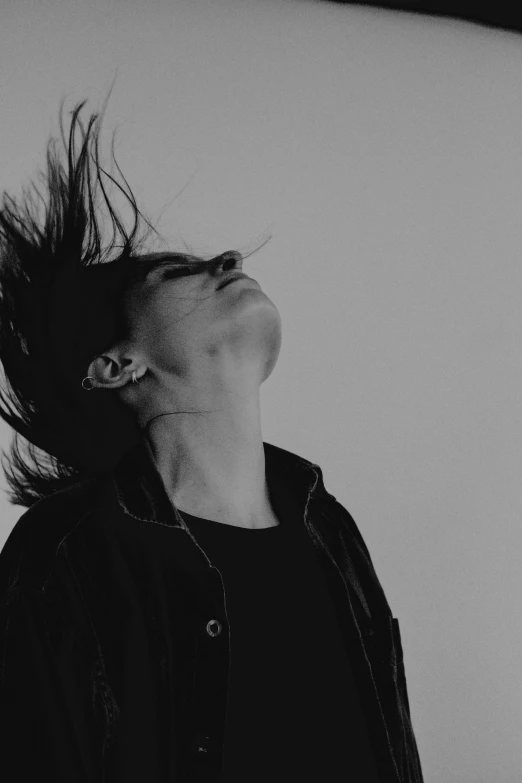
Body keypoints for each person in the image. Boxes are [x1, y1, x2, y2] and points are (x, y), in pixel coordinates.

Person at [0, 94, 424, 782]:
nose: (225, 256)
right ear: (115, 366)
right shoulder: (68, 556)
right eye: (172, 272)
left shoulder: (333, 532)